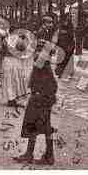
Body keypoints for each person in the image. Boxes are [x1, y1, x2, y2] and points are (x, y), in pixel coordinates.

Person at [14, 15, 58, 165]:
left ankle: (41, 155)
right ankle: (43, 155)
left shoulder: (41, 58)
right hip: (43, 93)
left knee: (37, 124)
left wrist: (38, 92)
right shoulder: (41, 56)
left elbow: (45, 78)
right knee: (41, 125)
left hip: (42, 94)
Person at [1, 31, 34, 108]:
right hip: (16, 61)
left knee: (8, 79)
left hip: (7, 60)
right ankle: (16, 98)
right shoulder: (20, 40)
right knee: (17, 79)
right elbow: (24, 50)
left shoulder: (5, 40)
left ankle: (10, 98)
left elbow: (2, 50)